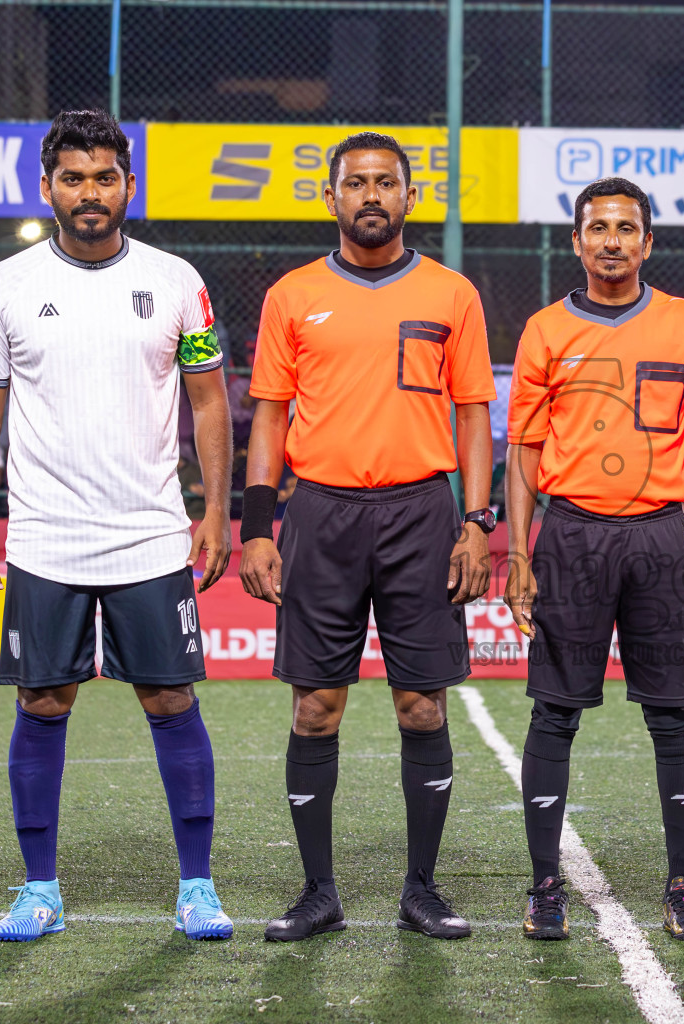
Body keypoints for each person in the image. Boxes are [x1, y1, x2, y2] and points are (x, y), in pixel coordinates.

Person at [0, 110, 235, 943]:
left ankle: (197, 886)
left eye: (104, 177)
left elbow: (210, 401)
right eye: (72, 178)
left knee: (170, 697)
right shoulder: (4, 285)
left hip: (150, 535)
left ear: (128, 186)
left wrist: (217, 509)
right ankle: (40, 889)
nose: (89, 192)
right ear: (46, 188)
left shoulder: (177, 279)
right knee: (42, 702)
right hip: (44, 539)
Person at [504, 176, 684, 943]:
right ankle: (544, 886)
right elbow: (522, 450)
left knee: (672, 714)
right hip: (571, 537)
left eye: (627, 228)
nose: (613, 240)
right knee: (554, 712)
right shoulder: (543, 332)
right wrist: (520, 554)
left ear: (649, 242)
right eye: (598, 228)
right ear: (577, 242)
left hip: (662, 537)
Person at [240, 131, 496, 942]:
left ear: (411, 197)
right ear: (331, 198)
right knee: (316, 707)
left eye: (388, 182)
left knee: (421, 705)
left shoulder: (453, 293)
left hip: (423, 512)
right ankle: (319, 891)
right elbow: (270, 416)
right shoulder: (291, 295)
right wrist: (256, 526)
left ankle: (421, 888)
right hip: (320, 512)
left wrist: (478, 522)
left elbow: (473, 415)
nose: (373, 195)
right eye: (357, 183)